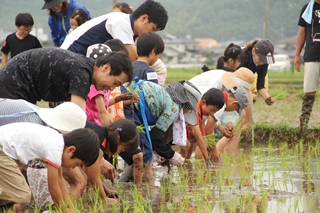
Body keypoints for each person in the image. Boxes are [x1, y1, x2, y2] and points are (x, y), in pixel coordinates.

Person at [0, 122, 100, 213]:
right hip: (2, 149)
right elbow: (53, 187)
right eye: (77, 164)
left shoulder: (58, 142)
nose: (74, 167)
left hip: (6, 148)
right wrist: (64, 209)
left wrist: (70, 207)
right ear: (71, 150)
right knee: (22, 195)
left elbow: (60, 181)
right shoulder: (55, 149)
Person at [0, 48, 133, 112]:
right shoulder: (82, 72)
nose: (111, 88)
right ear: (106, 68)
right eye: (115, 83)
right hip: (13, 84)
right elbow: (78, 118)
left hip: (20, 86)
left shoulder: (84, 67)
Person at [60, 0, 168, 61]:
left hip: (81, 61)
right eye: (153, 29)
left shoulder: (133, 34)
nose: (151, 34)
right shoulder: (121, 21)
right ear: (144, 18)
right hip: (68, 56)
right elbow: (134, 58)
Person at [294, 0, 320, 133]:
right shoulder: (308, 8)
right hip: (312, 54)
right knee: (309, 92)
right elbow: (302, 33)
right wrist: (297, 54)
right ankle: (303, 127)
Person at [239, 39, 275, 106]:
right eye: (261, 58)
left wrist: (267, 97)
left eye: (265, 60)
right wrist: (248, 94)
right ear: (253, 51)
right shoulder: (242, 56)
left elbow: (260, 85)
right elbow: (233, 80)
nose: (263, 62)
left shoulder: (264, 63)